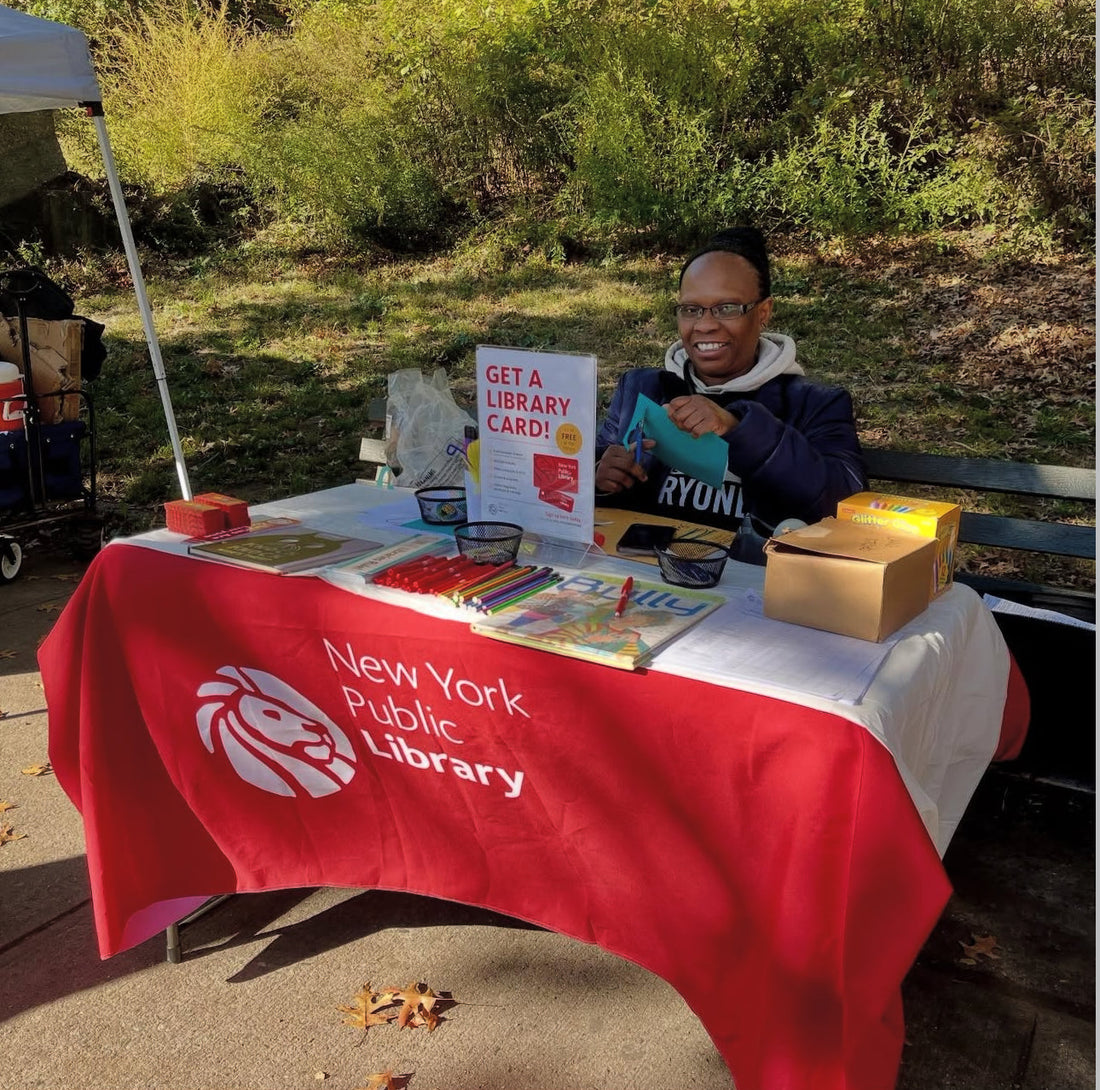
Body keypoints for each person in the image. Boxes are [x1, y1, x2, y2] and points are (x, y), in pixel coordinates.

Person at [594, 227, 866, 562]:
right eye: (691, 309)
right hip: (652, 574)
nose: (705, 325)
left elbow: (844, 503)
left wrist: (739, 428)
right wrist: (600, 478)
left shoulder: (815, 404)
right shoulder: (642, 388)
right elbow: (585, 492)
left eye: (726, 308)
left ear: (763, 312)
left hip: (755, 584)